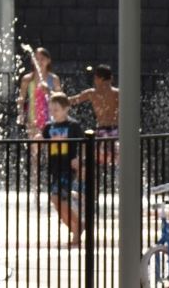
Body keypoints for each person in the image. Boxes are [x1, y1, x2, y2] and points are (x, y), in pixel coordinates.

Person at [40, 94, 88, 247]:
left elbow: (84, 144)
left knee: (56, 198)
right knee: (59, 201)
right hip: (55, 167)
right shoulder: (49, 127)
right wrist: (38, 142)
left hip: (68, 168)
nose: (54, 113)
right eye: (52, 110)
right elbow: (41, 141)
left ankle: (76, 229)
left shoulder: (73, 126)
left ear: (66, 108)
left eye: (57, 109)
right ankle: (76, 227)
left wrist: (80, 159)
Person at [69, 64, 122, 164]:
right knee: (116, 161)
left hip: (102, 130)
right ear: (111, 78)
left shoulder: (92, 93)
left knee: (93, 157)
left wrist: (54, 95)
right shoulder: (118, 93)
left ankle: (91, 175)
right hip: (116, 130)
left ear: (100, 78)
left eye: (95, 78)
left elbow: (72, 100)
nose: (94, 80)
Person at [18, 48, 63, 137]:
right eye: (37, 59)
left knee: (50, 147)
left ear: (48, 60)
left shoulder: (54, 79)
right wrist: (21, 114)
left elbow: (60, 98)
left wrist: (49, 91)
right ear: (32, 61)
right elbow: (21, 99)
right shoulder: (27, 79)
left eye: (42, 59)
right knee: (34, 147)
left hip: (51, 118)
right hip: (33, 118)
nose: (39, 62)